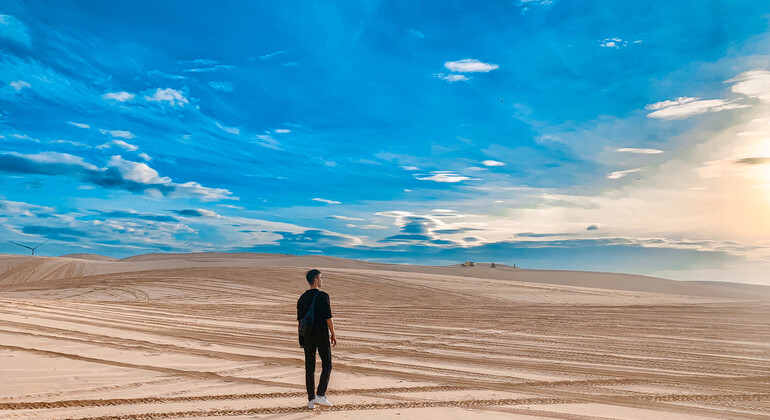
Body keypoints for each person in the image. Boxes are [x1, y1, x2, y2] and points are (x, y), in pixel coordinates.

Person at [297, 269, 337, 410]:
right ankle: (320, 395)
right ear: (315, 280)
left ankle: (310, 400)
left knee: (310, 367)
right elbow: (328, 317)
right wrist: (333, 333)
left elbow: (300, 321)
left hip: (307, 336)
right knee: (327, 364)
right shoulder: (323, 296)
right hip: (321, 334)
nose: (322, 280)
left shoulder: (301, 298)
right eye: (321, 277)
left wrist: (301, 338)